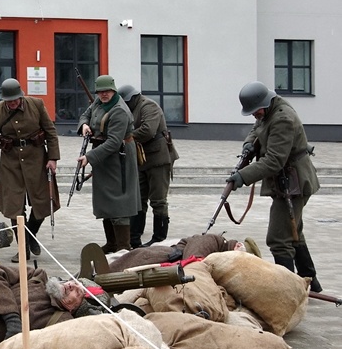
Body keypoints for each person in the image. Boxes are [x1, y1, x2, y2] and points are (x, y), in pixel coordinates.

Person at [227, 81, 322, 292]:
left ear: (265, 103)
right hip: (288, 179)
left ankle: (286, 290)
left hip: (294, 181)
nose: (254, 115)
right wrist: (249, 145)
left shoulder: (282, 118)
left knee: (279, 238)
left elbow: (274, 161)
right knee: (293, 230)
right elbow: (258, 127)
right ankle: (310, 281)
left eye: (256, 111)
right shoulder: (269, 110)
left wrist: (242, 176)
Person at [0, 78, 60, 263]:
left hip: (37, 159)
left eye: (15, 100)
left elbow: (50, 131)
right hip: (10, 163)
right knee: (15, 207)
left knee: (43, 202)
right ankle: (23, 250)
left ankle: (31, 234)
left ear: (21, 96)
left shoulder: (36, 105)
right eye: (9, 101)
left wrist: (53, 158)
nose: (12, 103)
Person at [77, 75, 140, 253]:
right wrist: (84, 125)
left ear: (113, 90)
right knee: (106, 201)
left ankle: (123, 247)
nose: (103, 94)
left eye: (107, 91)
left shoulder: (119, 110)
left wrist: (89, 157)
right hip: (103, 157)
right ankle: (111, 244)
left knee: (119, 203)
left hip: (118, 159)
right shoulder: (98, 102)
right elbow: (86, 114)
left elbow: (113, 142)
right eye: (100, 91)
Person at [118, 85, 179, 248]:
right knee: (138, 199)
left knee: (158, 201)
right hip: (142, 159)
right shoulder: (130, 110)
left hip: (159, 158)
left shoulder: (148, 106)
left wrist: (124, 137)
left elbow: (148, 130)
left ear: (132, 98)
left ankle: (159, 239)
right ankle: (134, 239)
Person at [108, 233, 262, 273]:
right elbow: (192, 262)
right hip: (156, 259)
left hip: (163, 264)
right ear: (238, 246)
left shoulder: (219, 254)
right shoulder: (214, 241)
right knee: (113, 273)